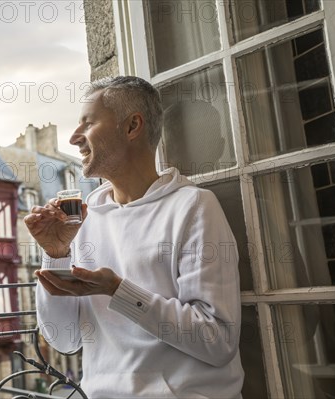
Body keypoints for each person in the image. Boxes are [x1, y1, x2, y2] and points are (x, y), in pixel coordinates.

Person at [24, 76, 244, 398]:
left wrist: (117, 290)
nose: (73, 138)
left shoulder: (193, 207)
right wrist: (56, 254)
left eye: (87, 124)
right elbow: (65, 339)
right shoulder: (84, 220)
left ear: (132, 127)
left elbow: (217, 340)